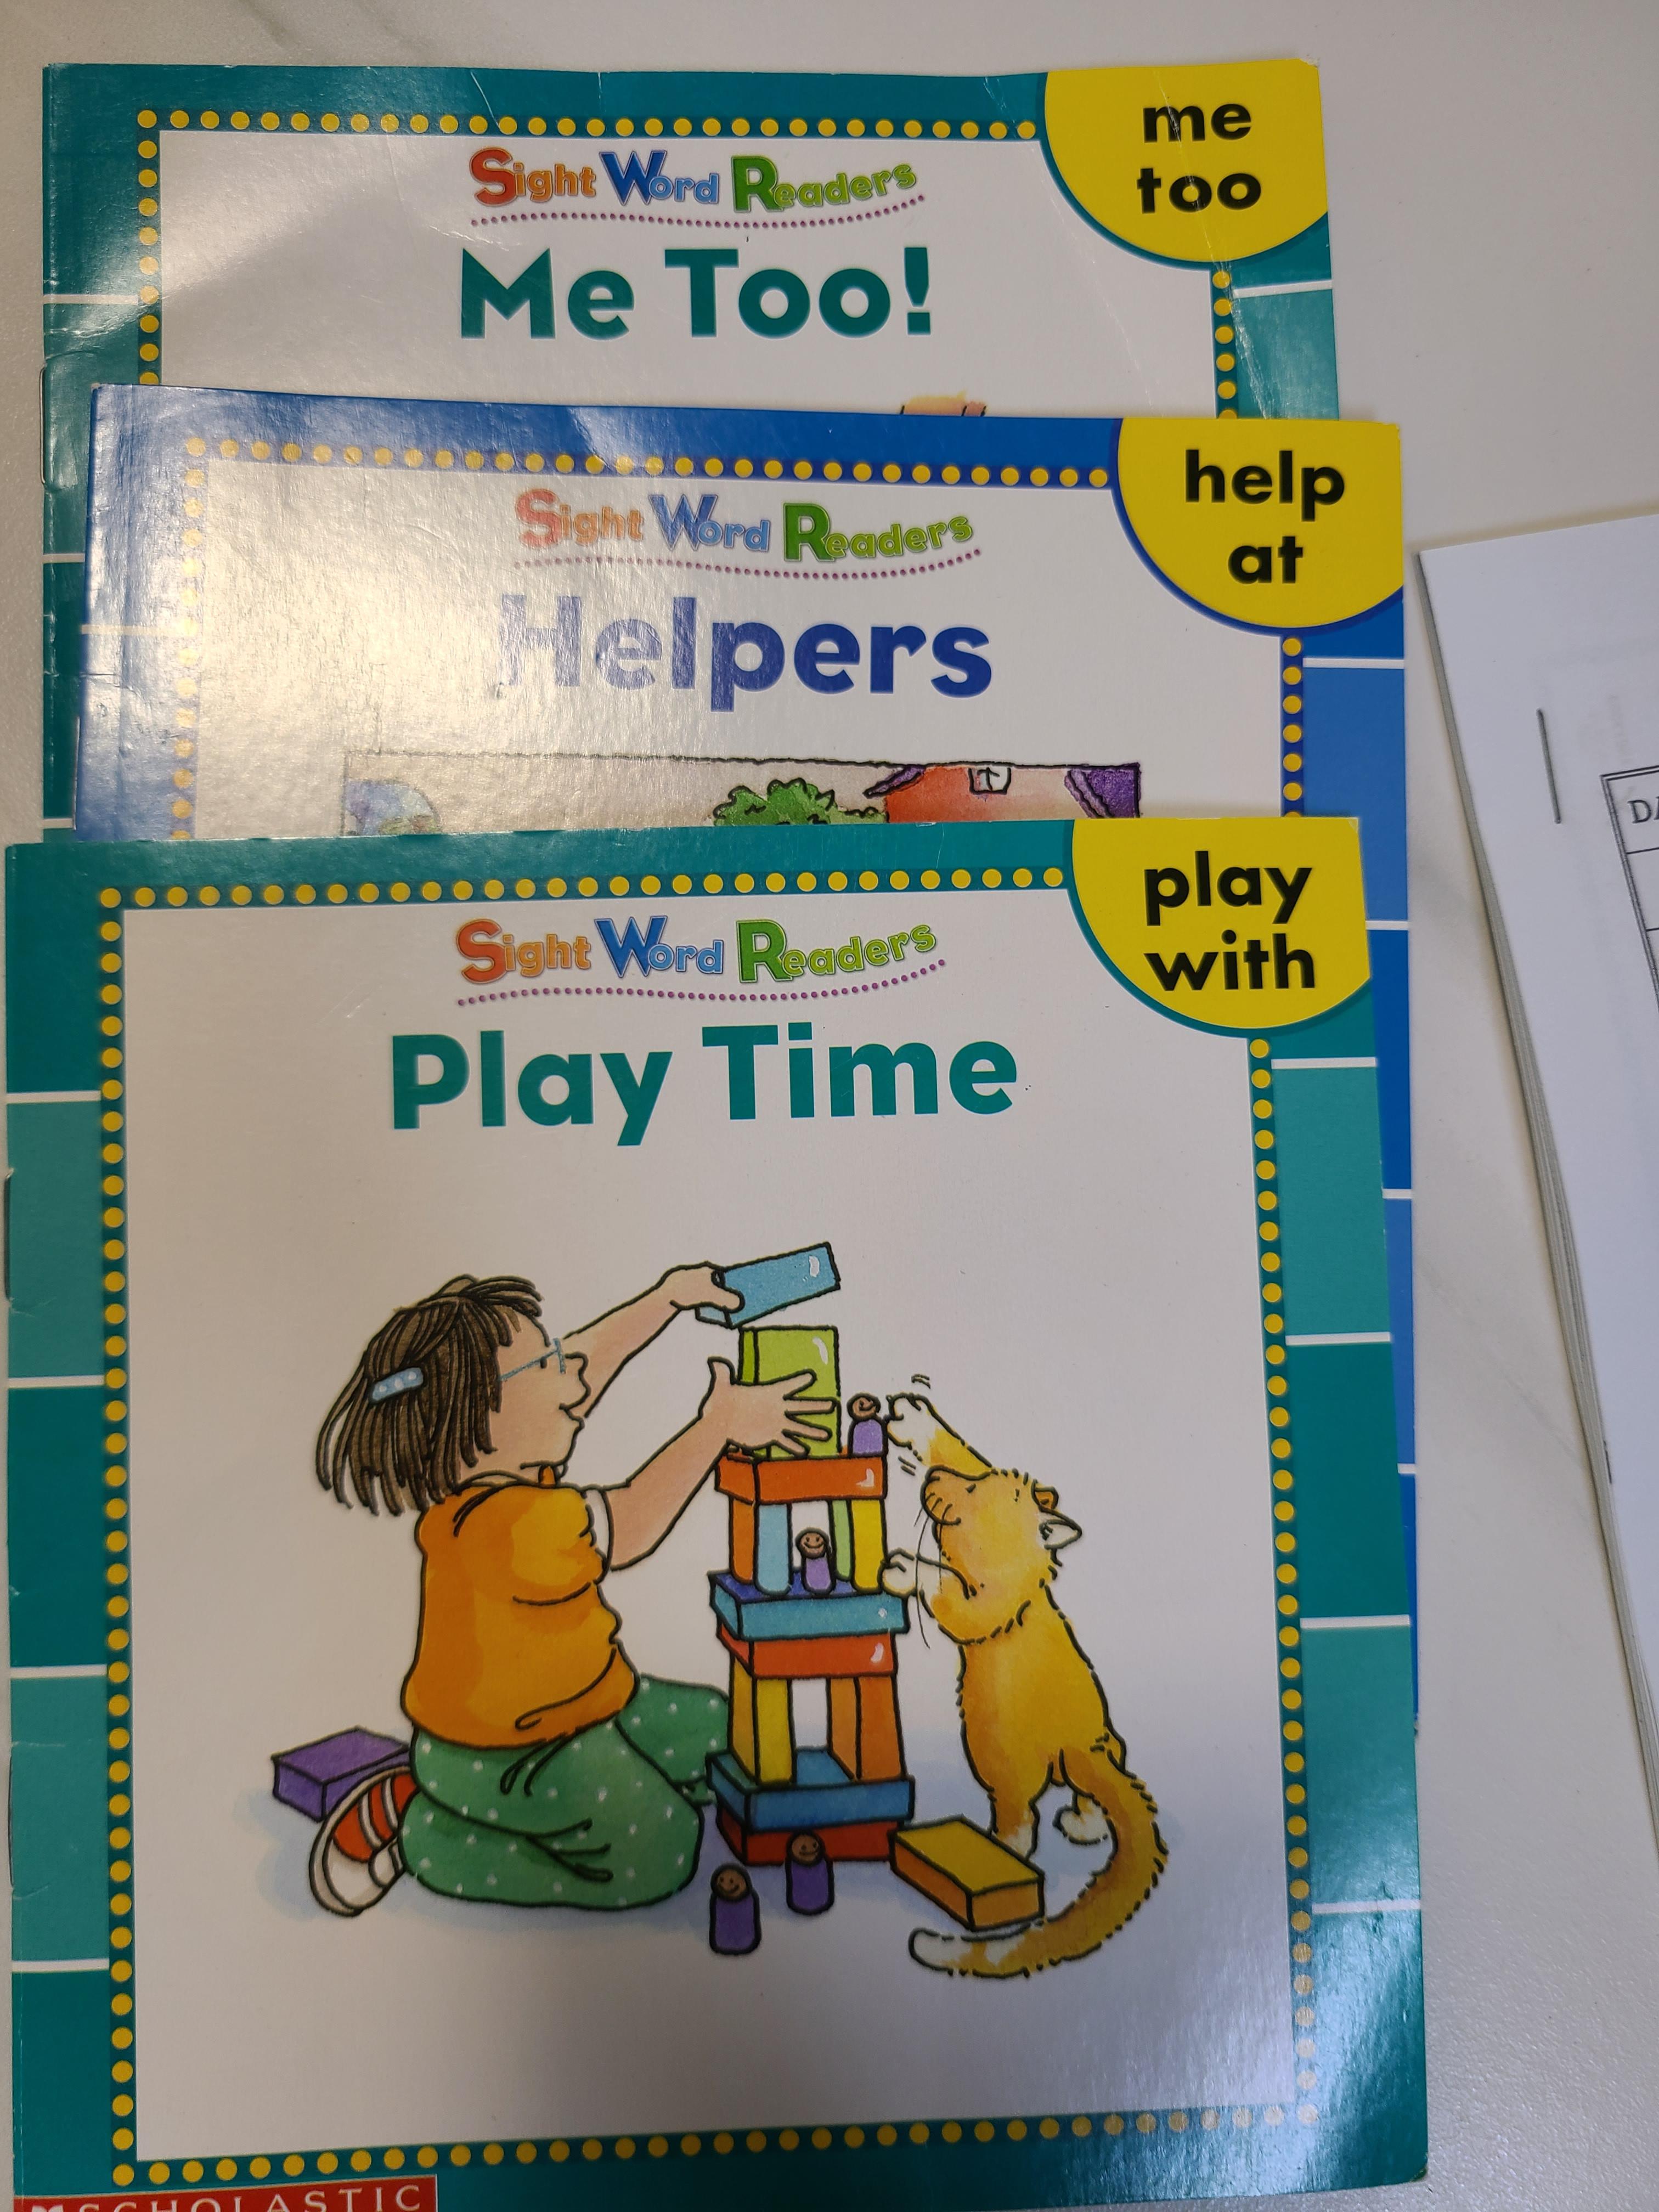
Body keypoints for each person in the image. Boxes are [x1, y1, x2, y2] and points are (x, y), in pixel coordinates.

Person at [307, 1268, 827, 1915]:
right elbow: (632, 1522)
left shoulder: (506, 1463)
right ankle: (423, 1832)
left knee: (728, 1734)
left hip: (590, 1707)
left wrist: (666, 1298)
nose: (573, 1371)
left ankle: (496, 1805)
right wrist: (717, 1427)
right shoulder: (511, 1525)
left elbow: (587, 1361)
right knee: (661, 1849)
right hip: (503, 1758)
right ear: (481, 1415)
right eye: (548, 1363)